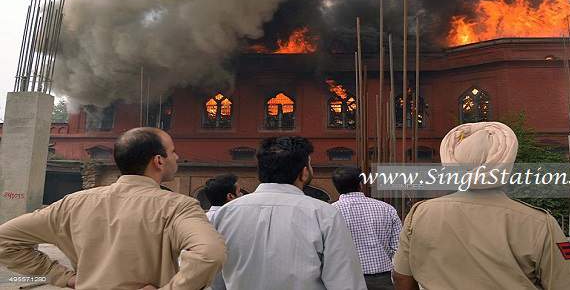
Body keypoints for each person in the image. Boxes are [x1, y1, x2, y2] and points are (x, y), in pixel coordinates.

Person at [0, 127, 227, 290]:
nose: (177, 156)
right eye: (173, 151)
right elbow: (210, 253)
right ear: (159, 161)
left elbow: (4, 239)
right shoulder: (178, 207)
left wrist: (63, 277)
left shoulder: (73, 204)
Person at [392, 122, 570, 290]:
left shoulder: (420, 214)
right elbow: (567, 283)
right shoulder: (539, 223)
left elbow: (402, 277)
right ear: (508, 167)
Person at [213, 136, 366, 290]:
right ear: (304, 172)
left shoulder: (225, 214)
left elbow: (214, 278)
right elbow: (346, 282)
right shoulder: (324, 214)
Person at [332, 166, 402, 290]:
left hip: (345, 279)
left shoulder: (330, 212)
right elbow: (398, 248)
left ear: (336, 187)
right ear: (361, 184)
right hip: (383, 279)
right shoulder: (387, 209)